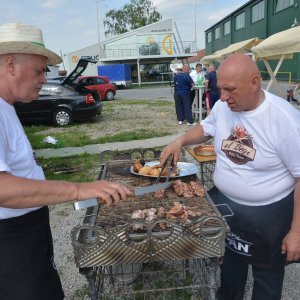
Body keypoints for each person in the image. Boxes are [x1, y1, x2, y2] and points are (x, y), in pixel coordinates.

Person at [0, 22, 132, 300]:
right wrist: (78, 189)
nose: (43, 79)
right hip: (10, 242)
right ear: (11, 65)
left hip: (25, 232)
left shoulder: (7, 107)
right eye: (38, 71)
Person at [160, 53, 300, 300]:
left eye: (230, 89)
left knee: (267, 276)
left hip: (269, 215)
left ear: (254, 82)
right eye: (220, 89)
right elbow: (207, 128)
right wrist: (180, 141)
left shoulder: (285, 119)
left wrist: (296, 232)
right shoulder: (223, 106)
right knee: (230, 268)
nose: (223, 97)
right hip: (226, 205)